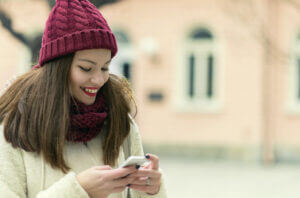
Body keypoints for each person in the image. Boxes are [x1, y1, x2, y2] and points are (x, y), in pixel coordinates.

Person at [0, 0, 167, 197]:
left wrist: (151, 189)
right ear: (58, 67)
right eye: (86, 68)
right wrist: (78, 190)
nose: (98, 79)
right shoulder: (15, 125)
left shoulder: (119, 120)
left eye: (105, 67)